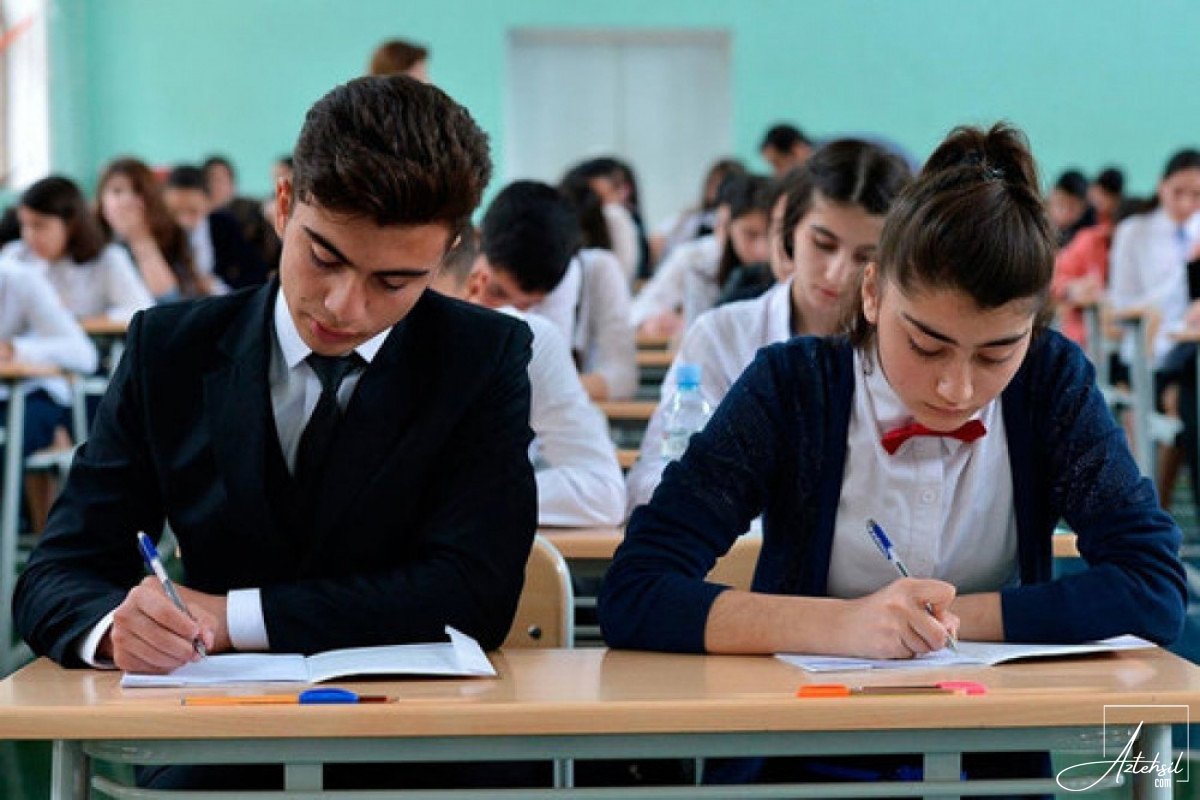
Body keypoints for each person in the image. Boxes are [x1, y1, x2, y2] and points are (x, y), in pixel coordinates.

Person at [600, 123, 1186, 786]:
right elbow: (637, 590)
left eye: (996, 353)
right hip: (798, 748)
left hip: (989, 751)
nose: (956, 387)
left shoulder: (1049, 381)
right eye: (927, 345)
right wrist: (846, 625)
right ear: (873, 293)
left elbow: (1154, 587)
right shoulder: (792, 386)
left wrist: (946, 620)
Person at [15, 75, 536, 791]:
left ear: (447, 251)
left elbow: (476, 591)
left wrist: (235, 617)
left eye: (394, 282)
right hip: (219, 737)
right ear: (285, 205)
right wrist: (115, 631)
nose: (345, 306)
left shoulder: (483, 357)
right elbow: (55, 574)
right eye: (324, 257)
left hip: (427, 740)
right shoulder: (170, 350)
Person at [626, 141, 910, 510]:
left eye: (865, 258)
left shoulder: (905, 347)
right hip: (730, 544)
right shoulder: (721, 334)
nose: (838, 273)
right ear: (789, 234)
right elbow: (652, 480)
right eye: (823, 244)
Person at [432, 227, 625, 527]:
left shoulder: (524, 343)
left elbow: (601, 493)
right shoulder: (354, 334)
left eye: (395, 285)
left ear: (474, 286)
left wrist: (451, 496)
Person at [474, 180, 636, 401]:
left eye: (533, 304)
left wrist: (539, 384)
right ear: (477, 242)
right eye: (498, 294)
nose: (512, 312)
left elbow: (623, 379)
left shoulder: (597, 271)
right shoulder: (455, 270)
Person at [1109, 149, 1200, 508]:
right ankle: (1154, 510)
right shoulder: (1135, 231)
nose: (1187, 203)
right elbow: (1120, 305)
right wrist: (1180, 277)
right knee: (1183, 402)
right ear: (1162, 186)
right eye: (1178, 192)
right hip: (1150, 354)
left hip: (1190, 350)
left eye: (1197, 195)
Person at [2, 175, 153, 321]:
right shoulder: (15, 256)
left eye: (39, 225)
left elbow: (139, 309)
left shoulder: (108, 259)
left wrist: (80, 322)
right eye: (24, 225)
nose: (29, 235)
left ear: (70, 224)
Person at [97, 157, 209, 302]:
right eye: (117, 191)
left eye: (137, 191)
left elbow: (169, 301)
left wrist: (139, 237)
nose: (127, 201)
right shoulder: (91, 236)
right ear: (102, 198)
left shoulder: (172, 235)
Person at [164, 165, 269, 290]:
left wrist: (216, 286)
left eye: (193, 211)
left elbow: (254, 273)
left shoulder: (224, 225)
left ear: (209, 203)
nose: (184, 221)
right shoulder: (160, 231)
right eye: (174, 212)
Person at [203, 155, 283, 271]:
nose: (215, 185)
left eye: (220, 180)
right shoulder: (198, 218)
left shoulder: (249, 210)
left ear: (232, 183)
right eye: (210, 180)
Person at [1047, 168, 1096, 247]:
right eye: (1060, 204)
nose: (1064, 214)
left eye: (1072, 209)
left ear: (1083, 209)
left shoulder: (1087, 233)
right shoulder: (1034, 216)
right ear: (1052, 194)